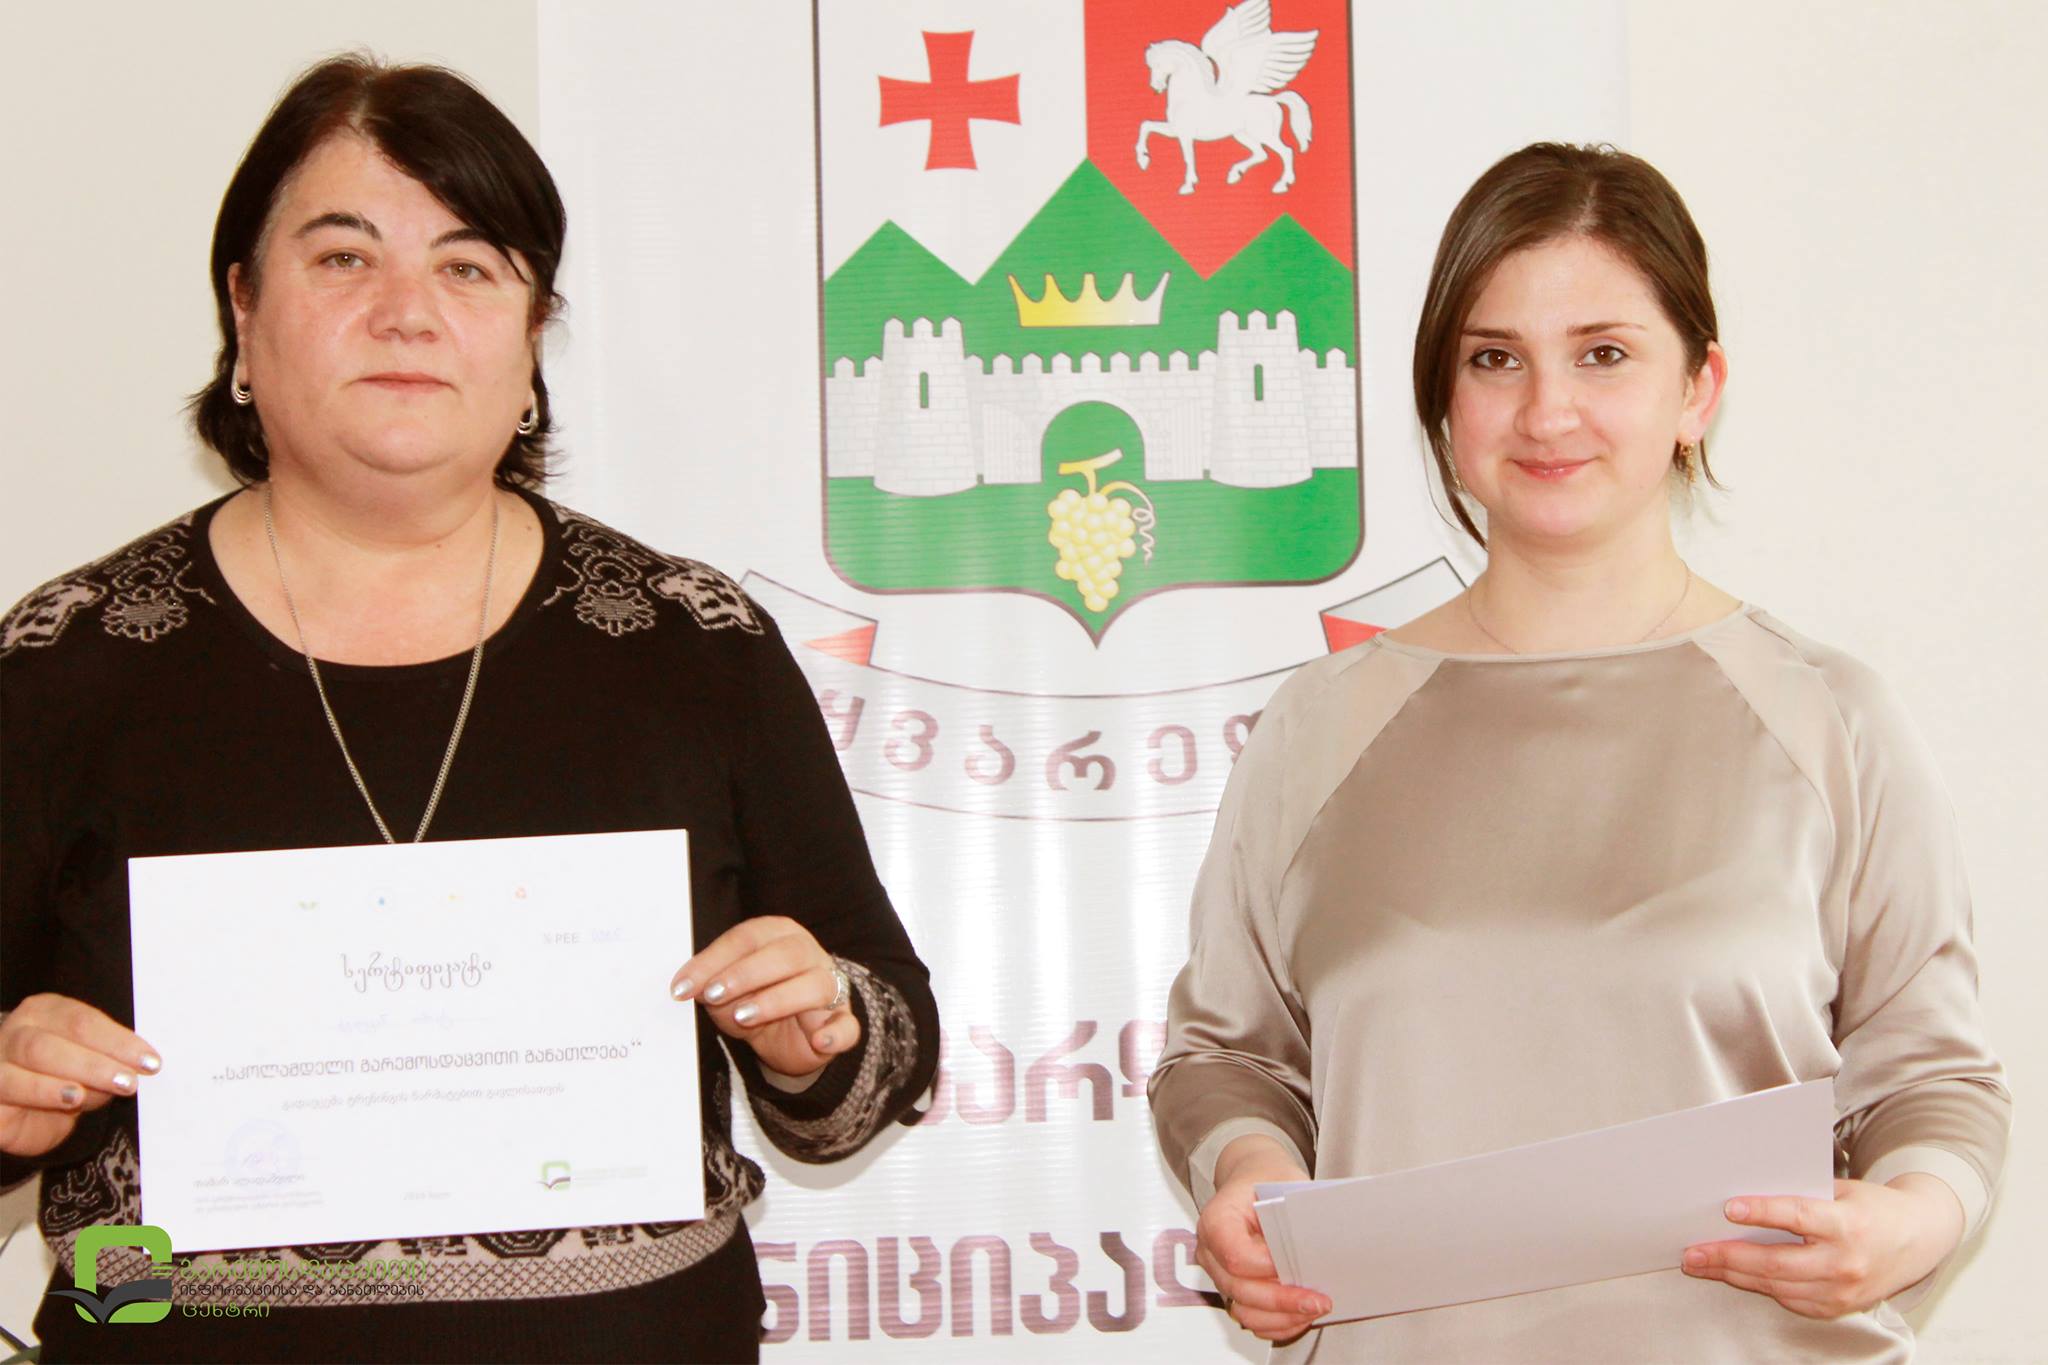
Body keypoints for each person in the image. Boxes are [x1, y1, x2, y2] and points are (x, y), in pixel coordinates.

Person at [0, 56, 937, 1362]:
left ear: (531, 335)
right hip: (165, 1330)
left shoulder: (690, 642)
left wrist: (814, 1026)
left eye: (469, 267)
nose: (406, 313)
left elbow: (878, 1061)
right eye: (343, 258)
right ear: (242, 310)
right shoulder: (70, 658)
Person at [1149, 142, 2008, 1362]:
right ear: (1441, 404)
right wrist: (1247, 1177)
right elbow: (1226, 1056)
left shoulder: (1830, 716)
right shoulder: (1317, 725)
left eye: (1602, 354)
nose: (1545, 411)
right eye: (1492, 359)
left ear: (1697, 388)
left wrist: (1913, 1218)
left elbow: (1932, 1081)